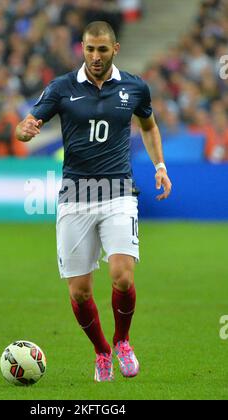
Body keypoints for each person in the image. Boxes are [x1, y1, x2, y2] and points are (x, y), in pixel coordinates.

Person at [15, 21, 172, 382]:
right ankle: (101, 350)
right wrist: (24, 131)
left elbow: (148, 126)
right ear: (82, 49)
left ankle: (123, 342)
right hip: (75, 196)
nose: (95, 56)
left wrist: (160, 166)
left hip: (118, 191)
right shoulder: (61, 88)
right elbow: (26, 126)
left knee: (122, 276)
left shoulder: (134, 87)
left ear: (115, 49)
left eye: (102, 49)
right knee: (80, 290)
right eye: (89, 49)